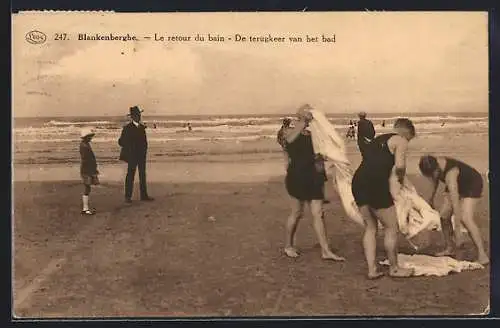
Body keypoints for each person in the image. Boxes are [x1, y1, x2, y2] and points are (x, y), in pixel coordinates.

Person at [351, 118, 416, 279]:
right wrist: (400, 181)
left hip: (358, 181)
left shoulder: (378, 140)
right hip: (376, 184)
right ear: (407, 131)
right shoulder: (401, 140)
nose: (408, 142)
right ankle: (394, 269)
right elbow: (400, 166)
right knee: (391, 227)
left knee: (370, 227)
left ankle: (372, 270)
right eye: (410, 138)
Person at [283, 104, 345, 261]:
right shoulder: (290, 131)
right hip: (297, 176)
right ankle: (288, 245)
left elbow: (324, 151)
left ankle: (326, 250)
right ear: (300, 116)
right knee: (297, 212)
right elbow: (288, 142)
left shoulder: (316, 134)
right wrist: (302, 122)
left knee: (318, 213)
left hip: (314, 175)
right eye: (307, 113)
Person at [418, 155, 489, 265]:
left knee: (466, 218)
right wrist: (430, 199)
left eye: (432, 174)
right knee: (443, 216)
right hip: (456, 183)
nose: (431, 177)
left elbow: (456, 204)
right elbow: (434, 182)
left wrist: (458, 231)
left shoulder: (450, 174)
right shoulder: (433, 165)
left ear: (437, 169)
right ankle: (450, 248)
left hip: (472, 183)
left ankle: (482, 255)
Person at [118, 106, 154, 203]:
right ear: (133, 117)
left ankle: (144, 195)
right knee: (130, 175)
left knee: (142, 175)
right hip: (132, 155)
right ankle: (128, 197)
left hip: (141, 155)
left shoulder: (142, 127)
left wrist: (144, 150)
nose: (139, 116)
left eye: (139, 115)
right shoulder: (127, 128)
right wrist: (130, 148)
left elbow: (145, 142)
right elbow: (120, 142)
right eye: (137, 115)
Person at [79, 128, 99, 215]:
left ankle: (85, 208)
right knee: (87, 188)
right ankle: (85, 208)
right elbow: (86, 159)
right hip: (87, 169)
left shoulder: (85, 144)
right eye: (90, 136)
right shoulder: (84, 145)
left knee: (87, 188)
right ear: (86, 137)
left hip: (87, 168)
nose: (91, 138)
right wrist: (92, 170)